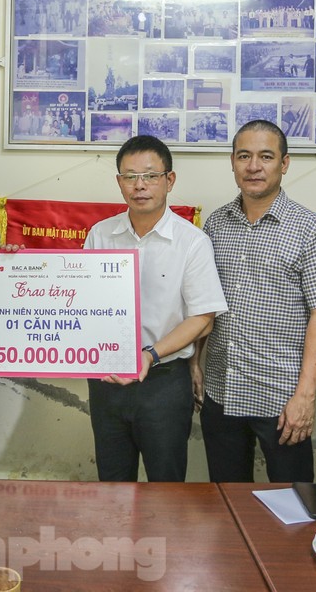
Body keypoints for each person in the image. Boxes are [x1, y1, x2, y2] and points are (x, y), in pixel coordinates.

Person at [198, 120, 316, 482]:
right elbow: (204, 303)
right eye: (244, 156)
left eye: (265, 156)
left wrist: (306, 397)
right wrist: (195, 364)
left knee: (294, 511)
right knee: (226, 506)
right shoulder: (216, 225)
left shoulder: (310, 229)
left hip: (281, 398)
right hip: (221, 390)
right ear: (232, 162)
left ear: (285, 163)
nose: (253, 166)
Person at [84, 136, 227, 482]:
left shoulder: (192, 242)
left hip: (163, 380)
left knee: (166, 487)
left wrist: (149, 355)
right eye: (130, 177)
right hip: (107, 381)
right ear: (119, 183)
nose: (140, 185)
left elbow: (203, 317)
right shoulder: (100, 235)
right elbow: (81, 303)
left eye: (150, 176)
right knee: (113, 484)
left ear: (169, 180)